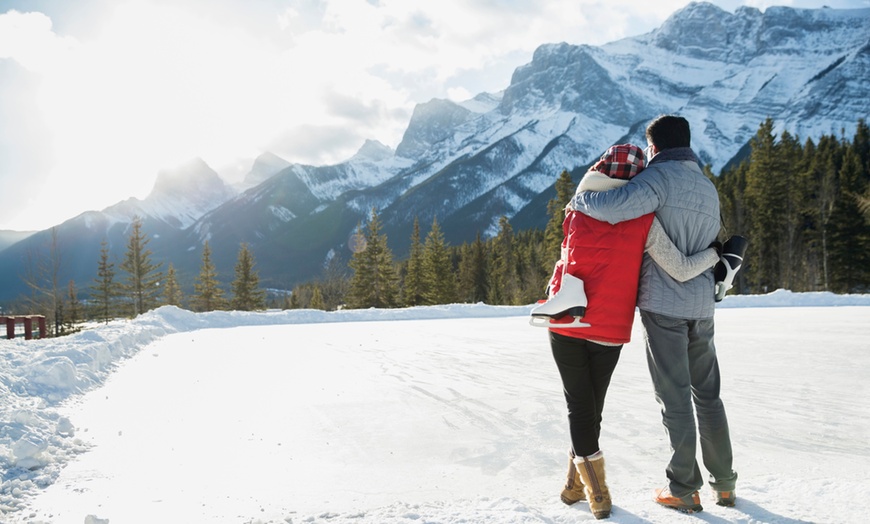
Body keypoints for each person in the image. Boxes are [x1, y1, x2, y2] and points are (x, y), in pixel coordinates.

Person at [571, 115, 738, 514]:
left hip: (664, 305)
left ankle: (683, 488)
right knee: (708, 395)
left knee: (675, 397)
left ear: (654, 147)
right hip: (702, 306)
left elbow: (614, 208)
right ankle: (726, 484)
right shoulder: (707, 186)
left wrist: (579, 198)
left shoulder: (657, 178)